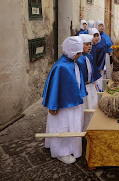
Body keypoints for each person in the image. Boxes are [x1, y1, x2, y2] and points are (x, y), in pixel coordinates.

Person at [42, 36, 87, 164]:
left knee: (73, 125)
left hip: (74, 104)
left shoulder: (73, 63)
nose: (80, 55)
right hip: (63, 107)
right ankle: (60, 151)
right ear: (71, 52)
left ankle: (73, 147)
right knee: (62, 126)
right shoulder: (60, 67)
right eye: (78, 53)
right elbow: (54, 88)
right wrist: (52, 106)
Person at [77, 34, 100, 131]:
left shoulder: (90, 56)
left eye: (90, 44)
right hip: (83, 88)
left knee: (92, 107)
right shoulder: (78, 59)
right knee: (85, 109)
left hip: (91, 87)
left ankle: (92, 128)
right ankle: (83, 130)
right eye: (86, 44)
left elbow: (93, 71)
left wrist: (95, 84)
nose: (89, 46)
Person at [89, 28, 105, 93]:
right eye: (94, 36)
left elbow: (101, 60)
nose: (96, 38)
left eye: (97, 36)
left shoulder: (100, 47)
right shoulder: (88, 47)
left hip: (97, 71)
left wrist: (98, 70)